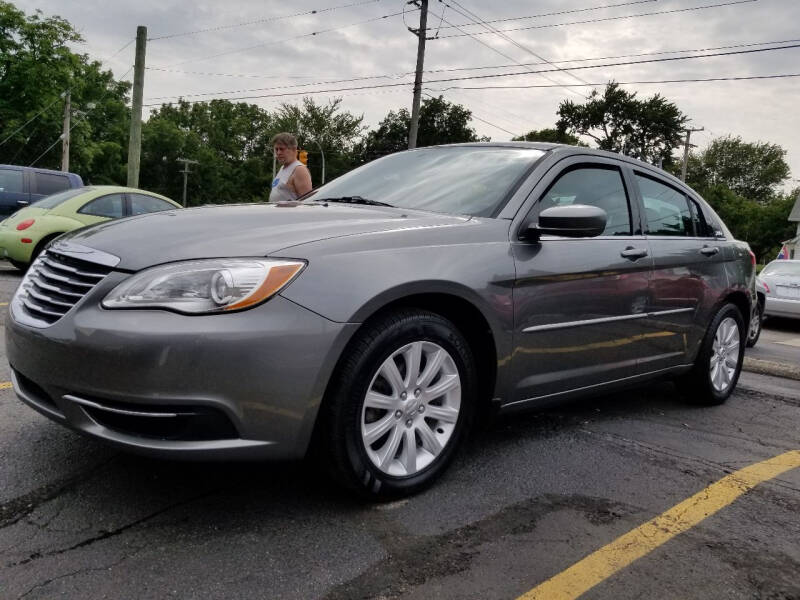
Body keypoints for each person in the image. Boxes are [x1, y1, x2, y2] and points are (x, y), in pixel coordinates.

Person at [269, 132, 312, 202]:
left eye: (282, 149)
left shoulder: (299, 170)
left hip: (290, 213)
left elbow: (306, 203)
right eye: (276, 149)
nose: (278, 153)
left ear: (294, 149)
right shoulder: (282, 168)